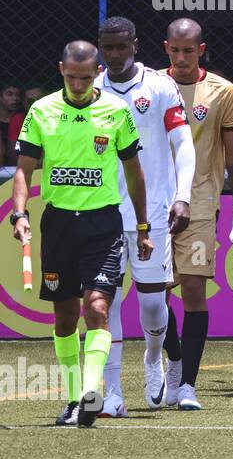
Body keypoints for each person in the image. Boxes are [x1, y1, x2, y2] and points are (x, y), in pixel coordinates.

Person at [11, 41, 151, 428]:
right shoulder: (42, 110)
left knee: (98, 309)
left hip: (102, 225)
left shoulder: (117, 111)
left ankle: (91, 393)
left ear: (97, 72)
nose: (77, 84)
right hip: (58, 225)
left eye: (85, 77)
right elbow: (24, 169)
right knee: (64, 317)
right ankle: (75, 398)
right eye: (71, 77)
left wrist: (142, 226)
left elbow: (135, 174)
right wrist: (19, 214)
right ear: (61, 70)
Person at [94, 17, 195, 417]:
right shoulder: (92, 89)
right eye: (108, 47)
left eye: (121, 47)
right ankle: (114, 393)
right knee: (105, 304)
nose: (114, 55)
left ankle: (154, 356)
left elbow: (183, 142)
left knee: (154, 307)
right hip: (101, 216)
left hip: (150, 215)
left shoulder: (159, 86)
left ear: (134, 45)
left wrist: (183, 195)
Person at [164, 18, 233, 410]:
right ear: (166, 48)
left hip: (199, 203)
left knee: (194, 292)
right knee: (155, 295)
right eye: (175, 50)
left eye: (189, 50)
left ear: (201, 49)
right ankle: (175, 360)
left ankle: (187, 386)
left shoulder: (222, 91)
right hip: (153, 205)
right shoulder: (152, 87)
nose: (181, 57)